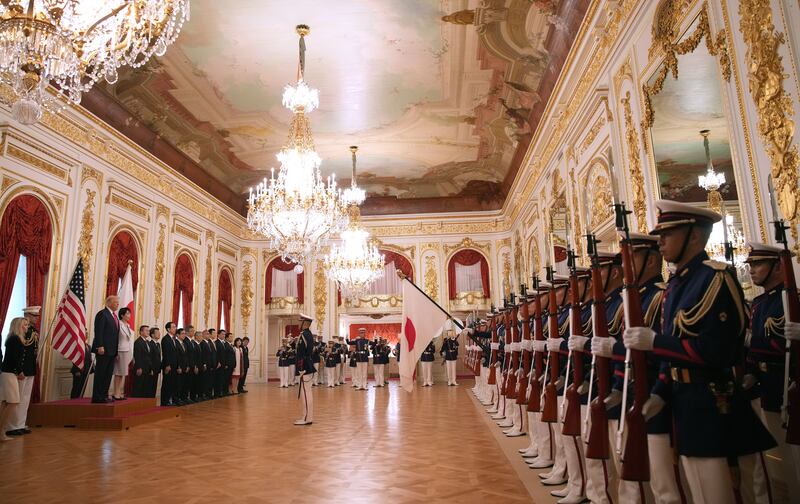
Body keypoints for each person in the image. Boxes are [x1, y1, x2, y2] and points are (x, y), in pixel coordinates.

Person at [623, 200, 776, 504]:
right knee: (696, 489)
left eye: (668, 234)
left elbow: (719, 351)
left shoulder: (716, 278)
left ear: (694, 236)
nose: (661, 242)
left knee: (718, 492)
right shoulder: (676, 287)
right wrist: (660, 392)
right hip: (683, 403)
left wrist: (655, 343)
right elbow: (673, 351)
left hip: (711, 402)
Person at [743, 241, 800, 500]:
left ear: (778, 266)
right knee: (778, 462)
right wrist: (752, 372)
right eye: (751, 264)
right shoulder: (758, 303)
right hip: (767, 389)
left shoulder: (794, 299)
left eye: (758, 264)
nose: (752, 270)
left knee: (796, 461)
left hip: (789, 386)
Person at [7, 306, 39, 436]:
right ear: (28, 315)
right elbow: (20, 353)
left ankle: (20, 423)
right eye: (34, 316)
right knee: (17, 398)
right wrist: (20, 370)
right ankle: (12, 425)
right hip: (22, 369)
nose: (37, 318)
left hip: (30, 368)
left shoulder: (33, 331)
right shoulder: (23, 331)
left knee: (25, 399)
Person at [1, 318, 28, 440]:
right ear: (19, 326)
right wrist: (20, 371)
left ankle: (1, 431)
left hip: (9, 373)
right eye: (24, 325)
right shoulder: (15, 339)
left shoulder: (14, 339)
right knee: (12, 402)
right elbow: (13, 358)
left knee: (6, 403)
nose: (26, 327)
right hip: (9, 373)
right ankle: (1, 431)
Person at [91, 296, 120, 404]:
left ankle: (104, 395)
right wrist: (100, 346)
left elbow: (115, 336)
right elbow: (98, 331)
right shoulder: (102, 314)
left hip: (112, 351)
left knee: (108, 374)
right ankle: (97, 396)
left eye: (118, 302)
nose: (118, 304)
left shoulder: (114, 317)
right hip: (103, 349)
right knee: (101, 373)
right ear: (109, 302)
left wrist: (116, 351)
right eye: (116, 302)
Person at [294, 314, 316, 425]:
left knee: (306, 393)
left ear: (305, 323)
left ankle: (307, 418)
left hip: (305, 368)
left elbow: (302, 354)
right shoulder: (306, 334)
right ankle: (306, 416)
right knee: (306, 392)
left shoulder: (305, 335)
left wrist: (301, 369)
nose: (298, 323)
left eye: (300, 321)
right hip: (307, 366)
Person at [111, 307, 134, 400]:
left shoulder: (127, 325)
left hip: (126, 350)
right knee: (118, 372)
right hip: (120, 350)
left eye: (129, 313)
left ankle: (119, 392)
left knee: (122, 373)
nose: (129, 316)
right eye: (127, 314)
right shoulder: (118, 324)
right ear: (122, 315)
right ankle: (115, 393)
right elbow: (115, 339)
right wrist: (115, 352)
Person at [132, 325, 153, 398]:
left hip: (147, 368)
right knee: (138, 386)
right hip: (141, 367)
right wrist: (139, 367)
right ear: (141, 332)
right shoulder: (138, 342)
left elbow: (149, 356)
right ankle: (135, 402)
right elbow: (137, 356)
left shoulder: (148, 342)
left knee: (145, 386)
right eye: (146, 330)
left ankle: (142, 403)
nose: (148, 332)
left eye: (148, 330)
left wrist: (151, 368)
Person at [160, 322, 178, 406]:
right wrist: (167, 365)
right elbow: (166, 353)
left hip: (174, 365)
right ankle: (164, 402)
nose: (175, 328)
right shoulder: (165, 339)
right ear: (168, 329)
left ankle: (169, 400)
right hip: (168, 366)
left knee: (172, 383)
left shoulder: (173, 339)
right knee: (166, 384)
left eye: (175, 327)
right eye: (173, 327)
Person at [148, 327, 162, 398]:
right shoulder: (150, 344)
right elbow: (150, 358)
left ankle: (152, 400)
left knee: (154, 385)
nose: (159, 334)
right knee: (150, 385)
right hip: (152, 369)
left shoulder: (158, 344)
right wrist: (151, 369)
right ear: (152, 335)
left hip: (157, 368)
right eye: (157, 333)